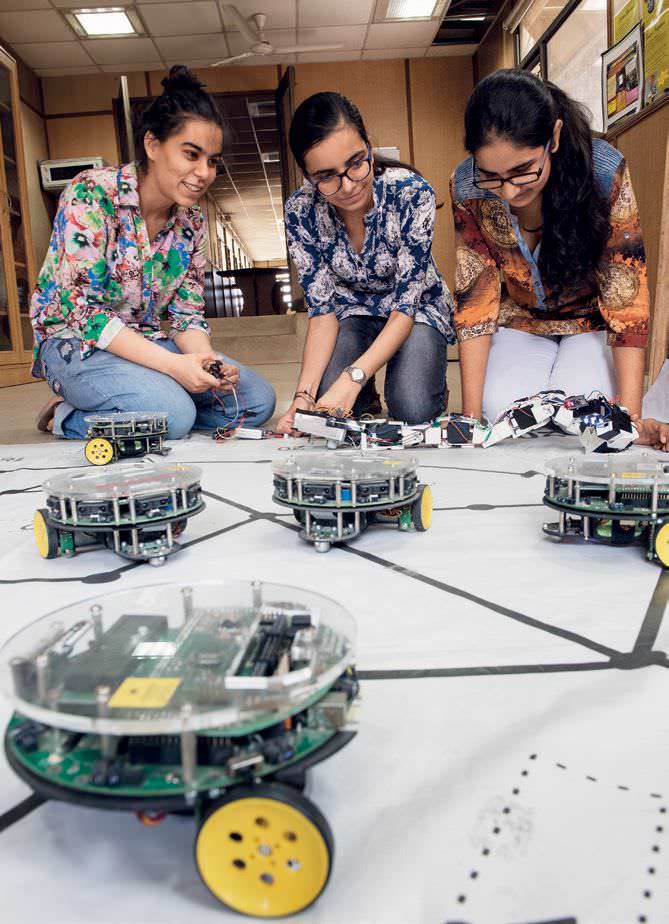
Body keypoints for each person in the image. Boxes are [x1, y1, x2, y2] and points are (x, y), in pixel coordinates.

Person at [31, 66, 275, 439]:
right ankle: (66, 416)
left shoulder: (192, 221)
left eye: (212, 161)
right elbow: (83, 313)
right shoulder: (91, 194)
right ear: (152, 145)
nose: (203, 172)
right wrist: (173, 368)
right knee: (172, 416)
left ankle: (133, 403)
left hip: (145, 343)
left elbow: (186, 315)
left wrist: (203, 362)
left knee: (256, 402)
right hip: (73, 344)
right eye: (191, 154)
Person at [450, 69, 649, 435]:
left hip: (589, 322)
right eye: (492, 175)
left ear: (554, 137)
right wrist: (472, 419)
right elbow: (475, 300)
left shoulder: (604, 172)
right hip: (520, 319)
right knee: (502, 412)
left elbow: (626, 296)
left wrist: (630, 420)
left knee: (586, 415)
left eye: (523, 170)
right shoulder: (468, 186)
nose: (509, 191)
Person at [277, 91, 455, 433]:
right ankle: (364, 395)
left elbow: (405, 308)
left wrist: (353, 377)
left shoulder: (412, 193)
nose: (347, 186)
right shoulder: (300, 212)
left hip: (414, 310)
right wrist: (303, 397)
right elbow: (322, 314)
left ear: (369, 147)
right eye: (326, 176)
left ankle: (426, 379)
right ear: (306, 175)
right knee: (328, 401)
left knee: (413, 407)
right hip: (352, 313)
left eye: (356, 163)